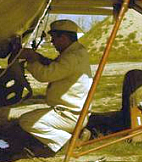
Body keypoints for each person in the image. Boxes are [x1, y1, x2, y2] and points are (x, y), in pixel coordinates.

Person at [17, 19, 92, 155]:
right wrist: (38, 57)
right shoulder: (76, 52)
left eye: (53, 38)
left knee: (27, 121)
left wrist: (31, 59)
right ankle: (77, 133)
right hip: (74, 113)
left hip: (70, 115)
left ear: (63, 38)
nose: (52, 42)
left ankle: (68, 143)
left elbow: (45, 75)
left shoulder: (72, 57)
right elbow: (57, 66)